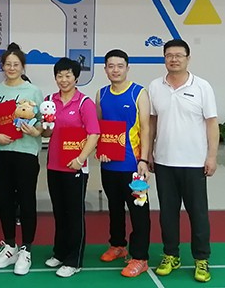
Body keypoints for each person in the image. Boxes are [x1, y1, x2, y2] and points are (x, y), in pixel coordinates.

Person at [148, 39, 218, 283]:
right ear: (164, 58)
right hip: (164, 161)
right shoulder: (155, 86)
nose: (174, 59)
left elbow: (212, 123)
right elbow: (152, 122)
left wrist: (211, 156)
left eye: (179, 55)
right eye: (169, 55)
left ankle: (201, 259)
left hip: (194, 162)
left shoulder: (202, 87)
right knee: (167, 213)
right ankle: (171, 255)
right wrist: (149, 152)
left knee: (198, 214)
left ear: (188, 58)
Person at [0, 42, 44, 276]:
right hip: (2, 153)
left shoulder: (33, 91)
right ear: (2, 66)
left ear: (23, 67)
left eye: (16, 64)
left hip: (26, 153)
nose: (11, 68)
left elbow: (43, 123)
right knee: (5, 200)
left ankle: (26, 249)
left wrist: (36, 130)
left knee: (26, 200)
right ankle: (10, 246)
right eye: (8, 64)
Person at [41, 57, 99, 278]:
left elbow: (94, 134)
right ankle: (60, 252)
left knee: (74, 215)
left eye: (68, 75)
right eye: (59, 75)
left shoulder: (84, 103)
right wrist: (45, 125)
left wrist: (80, 158)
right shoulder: (49, 100)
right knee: (59, 212)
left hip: (76, 168)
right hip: (54, 165)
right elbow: (47, 132)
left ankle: (74, 260)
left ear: (76, 78)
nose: (63, 80)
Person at [96, 49, 151, 278]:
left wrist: (144, 160)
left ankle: (140, 257)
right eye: (111, 66)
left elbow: (146, 129)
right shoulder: (101, 94)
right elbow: (99, 128)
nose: (115, 70)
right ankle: (118, 245)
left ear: (127, 68)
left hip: (133, 166)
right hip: (109, 164)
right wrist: (101, 151)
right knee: (114, 207)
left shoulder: (139, 93)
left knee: (139, 212)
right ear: (105, 69)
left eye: (120, 66)